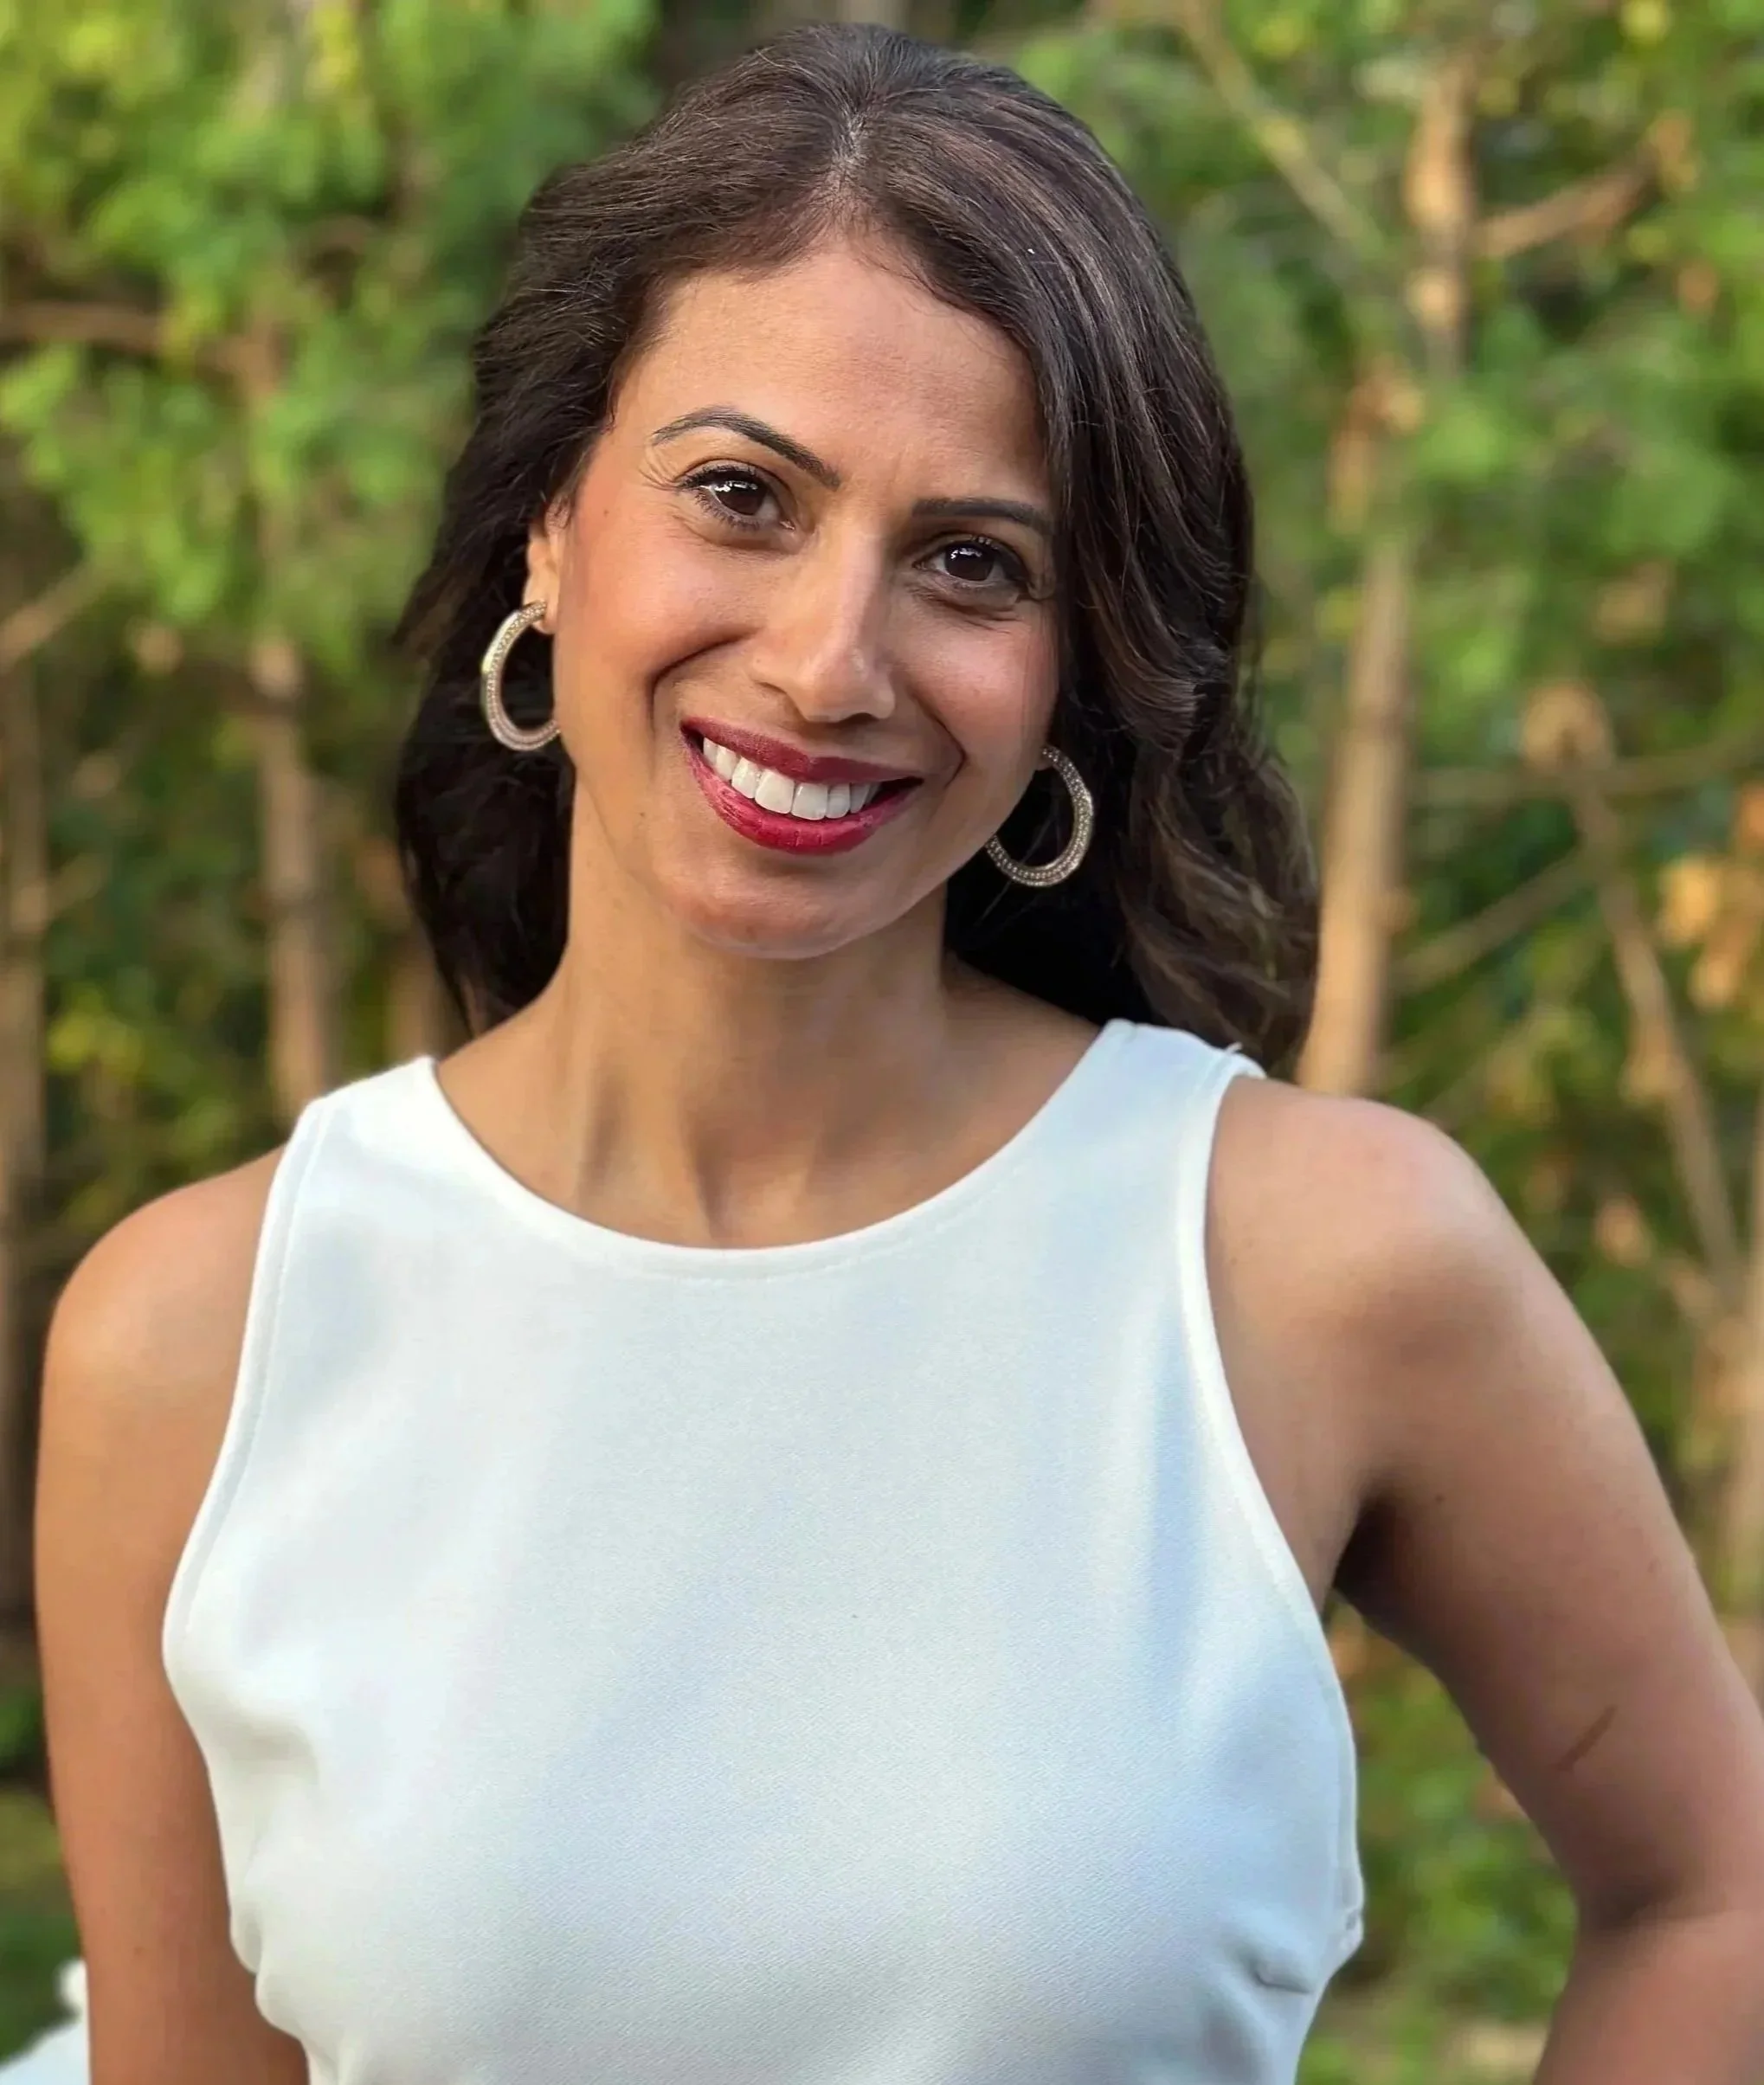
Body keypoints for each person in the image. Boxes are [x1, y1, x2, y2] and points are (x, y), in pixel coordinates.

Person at [27, 21, 1764, 2085]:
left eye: (969, 561)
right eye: (740, 496)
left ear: (1065, 673)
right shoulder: (199, 1335)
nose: (831, 660)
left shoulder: (1312, 1262)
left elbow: (1709, 1887)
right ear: (552, 530)